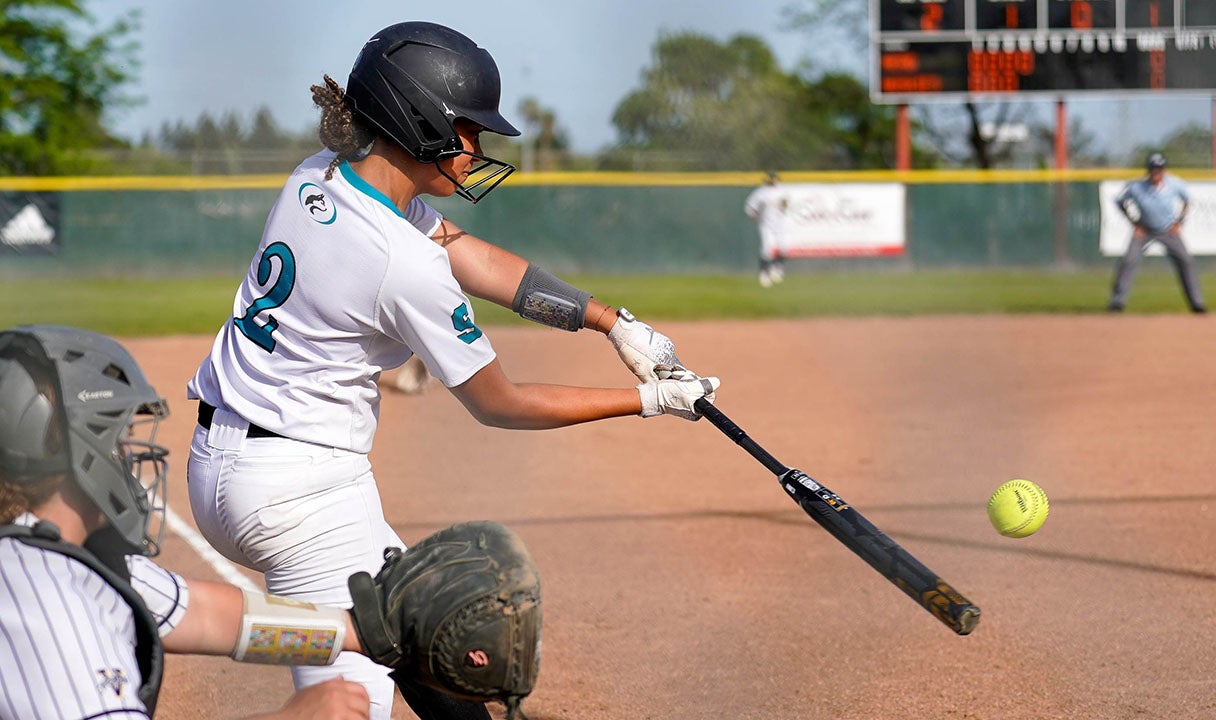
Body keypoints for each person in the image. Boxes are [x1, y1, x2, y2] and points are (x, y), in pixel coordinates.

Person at [184, 21, 720, 719]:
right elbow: (503, 403)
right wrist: (647, 400)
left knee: (419, 627)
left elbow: (474, 257)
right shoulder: (402, 267)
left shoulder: (323, 173)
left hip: (219, 463)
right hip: (303, 498)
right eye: (468, 130)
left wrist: (611, 322)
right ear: (418, 120)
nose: (478, 149)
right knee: (348, 703)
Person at [0, 325, 371, 720]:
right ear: (63, 445)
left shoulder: (52, 557)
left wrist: (358, 632)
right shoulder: (46, 601)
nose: (128, 454)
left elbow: (204, 615)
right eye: (118, 435)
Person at [1107, 152, 1207, 314]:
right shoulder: (1136, 187)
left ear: (1164, 170)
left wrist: (1179, 222)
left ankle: (1197, 303)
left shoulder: (1175, 184)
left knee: (1186, 261)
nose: (1156, 173)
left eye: (1159, 169)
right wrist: (1134, 222)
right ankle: (1117, 302)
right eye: (1153, 169)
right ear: (1148, 171)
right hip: (1145, 230)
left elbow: (1187, 200)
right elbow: (1120, 202)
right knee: (1128, 261)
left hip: (1168, 230)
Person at [745, 172, 787, 287]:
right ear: (767, 180)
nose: (773, 180)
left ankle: (777, 269)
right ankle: (763, 273)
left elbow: (785, 205)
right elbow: (750, 207)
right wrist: (754, 216)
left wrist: (784, 205)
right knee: (767, 248)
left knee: (783, 246)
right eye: (771, 179)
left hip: (779, 223)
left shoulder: (781, 190)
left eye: (775, 179)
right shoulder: (761, 193)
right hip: (766, 224)